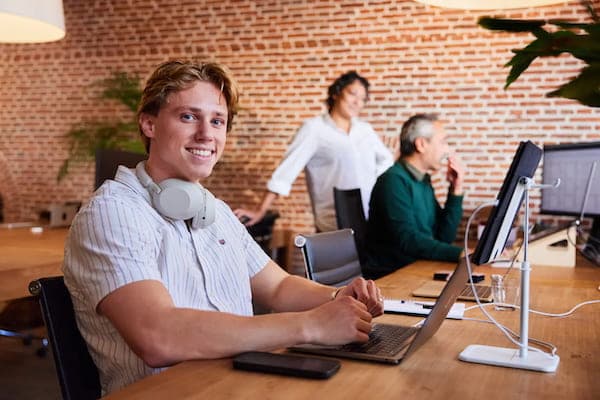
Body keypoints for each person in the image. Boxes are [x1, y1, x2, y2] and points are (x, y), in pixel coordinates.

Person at [62, 60, 384, 395]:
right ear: (149, 124)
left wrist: (337, 297)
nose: (206, 134)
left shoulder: (215, 211)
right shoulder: (113, 211)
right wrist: (309, 326)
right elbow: (157, 334)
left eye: (217, 121)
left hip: (241, 384)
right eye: (188, 116)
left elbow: (279, 287)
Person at [234, 71, 394, 232]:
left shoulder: (364, 130)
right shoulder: (314, 129)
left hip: (371, 219)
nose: (357, 102)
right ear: (337, 93)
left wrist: (373, 183)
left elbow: (386, 161)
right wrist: (260, 210)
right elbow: (286, 171)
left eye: (362, 99)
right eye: (353, 94)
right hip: (334, 222)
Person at [363, 113, 465, 280]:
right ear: (421, 144)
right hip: (392, 278)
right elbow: (408, 240)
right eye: (443, 142)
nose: (447, 149)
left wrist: (456, 189)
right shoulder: (393, 181)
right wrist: (461, 253)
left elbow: (444, 237)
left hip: (417, 269)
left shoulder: (422, 180)